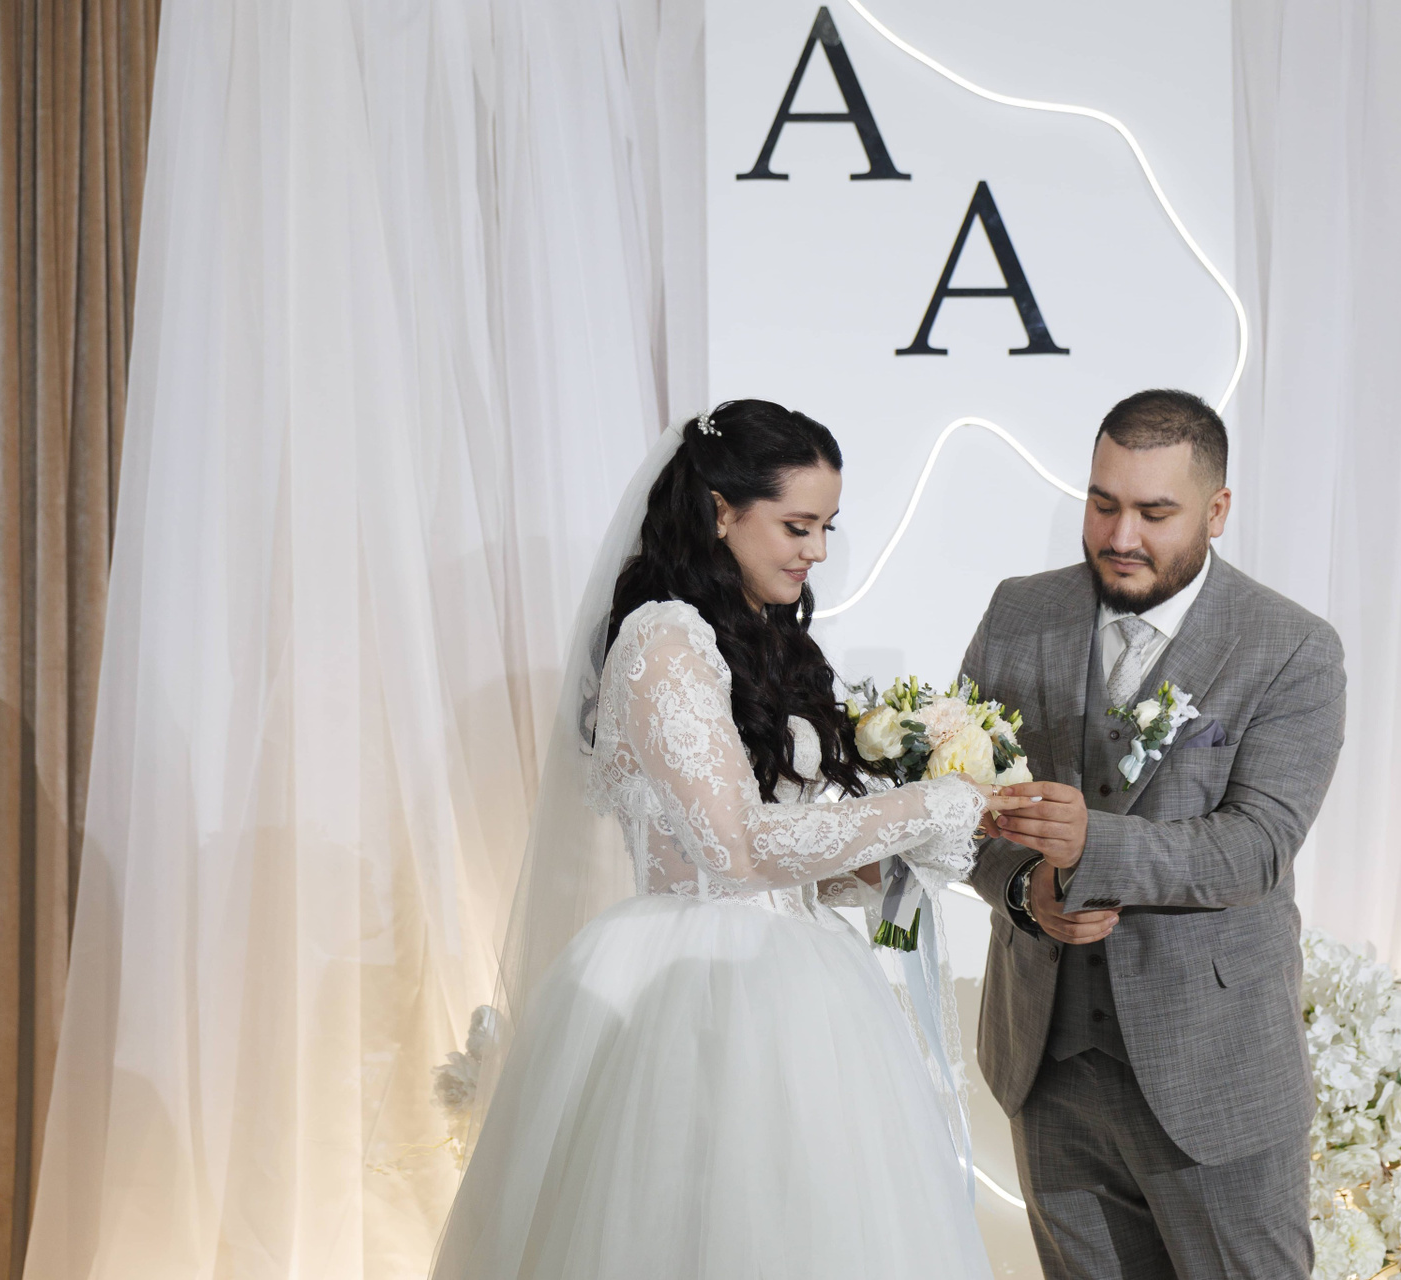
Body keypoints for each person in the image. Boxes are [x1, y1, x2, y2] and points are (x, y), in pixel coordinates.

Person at [432, 400, 1021, 1279]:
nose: (817, 551)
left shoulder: (761, 638)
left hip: (800, 977)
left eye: (826, 527)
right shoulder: (664, 638)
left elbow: (793, 862)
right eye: (797, 525)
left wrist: (891, 856)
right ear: (720, 511)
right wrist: (928, 805)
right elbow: (735, 849)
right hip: (695, 983)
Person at [962, 389, 1346, 1280]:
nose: (1120, 536)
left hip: (1214, 1077)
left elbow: (1257, 847)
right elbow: (959, 801)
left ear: (1217, 510)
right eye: (1102, 504)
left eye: (1154, 512)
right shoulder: (1019, 613)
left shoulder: (1291, 647)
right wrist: (1024, 887)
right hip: (1046, 1067)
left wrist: (1090, 846)